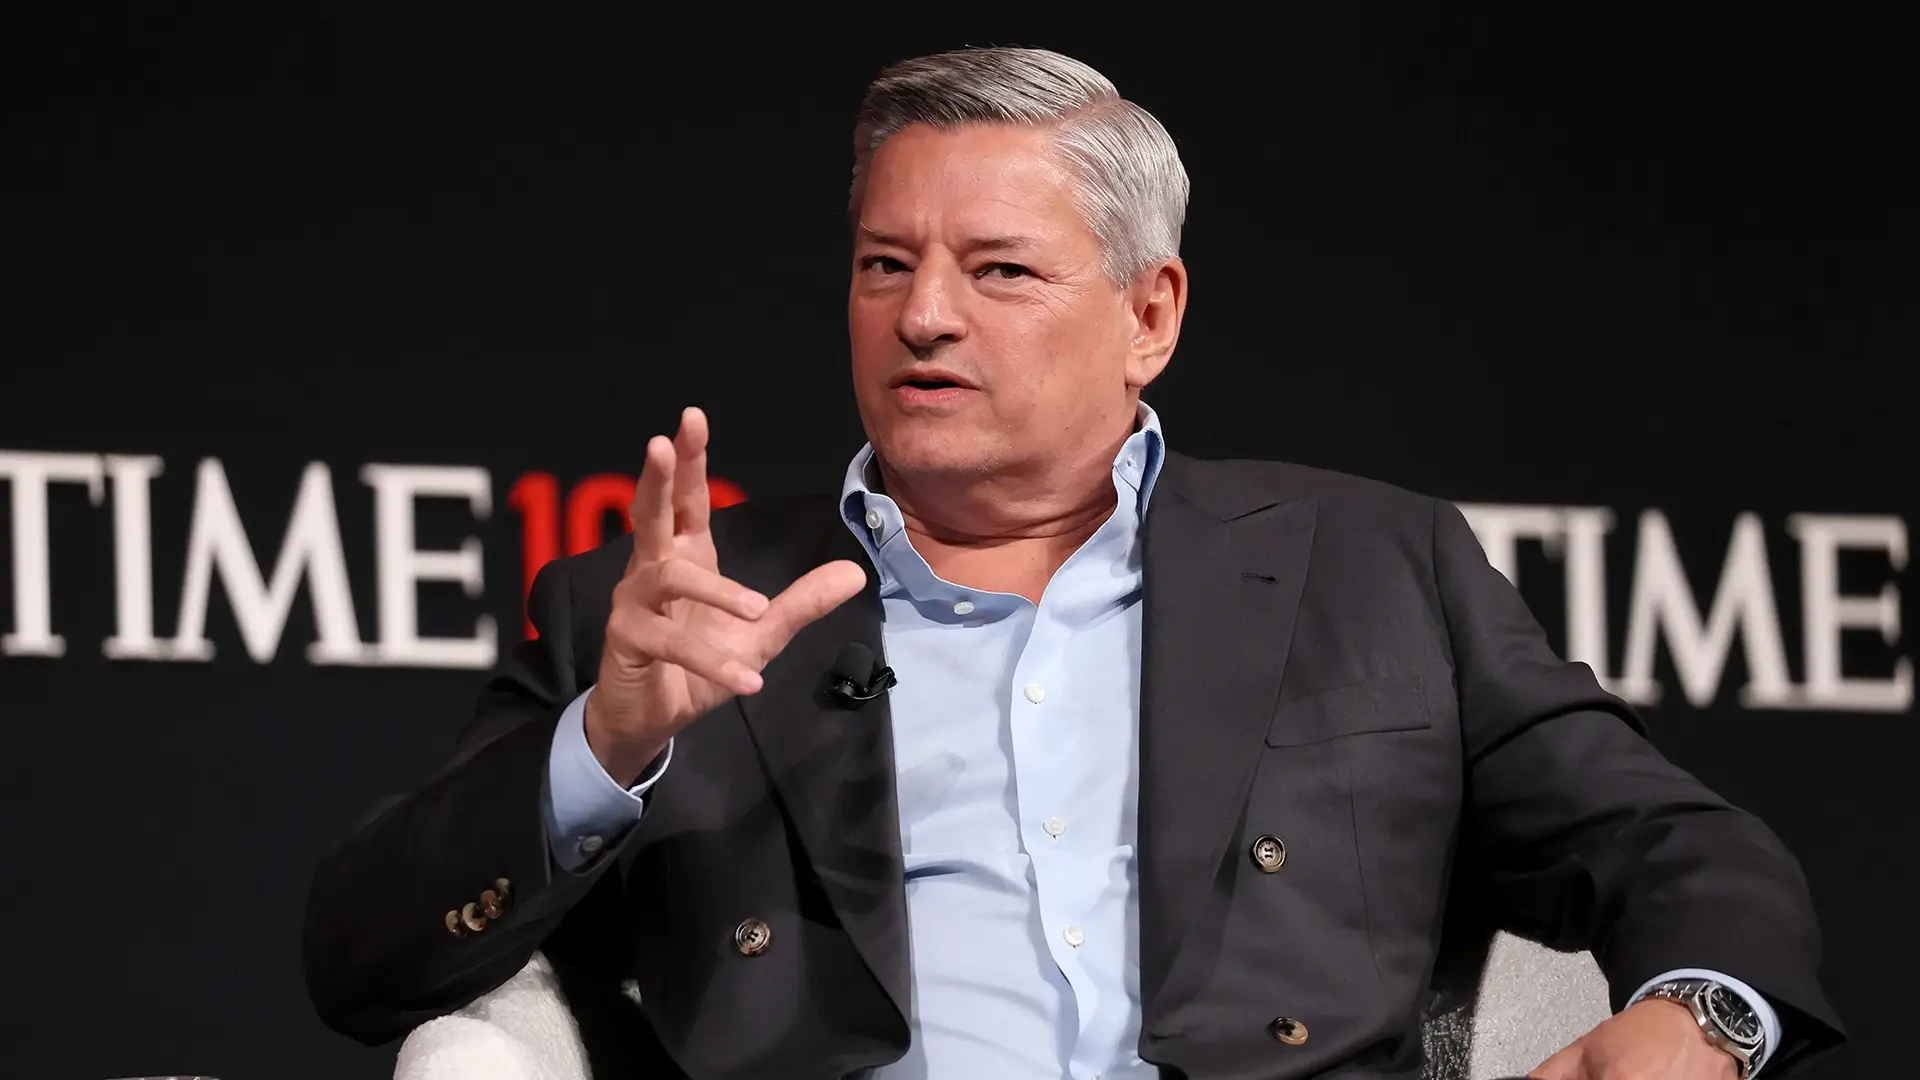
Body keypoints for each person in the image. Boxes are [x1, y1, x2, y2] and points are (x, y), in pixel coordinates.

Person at [303, 46, 1842, 1080]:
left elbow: (1680, 847)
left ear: (1149, 315)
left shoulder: (1378, 569)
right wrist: (604, 746)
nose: (924, 316)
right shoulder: (675, 612)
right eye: (886, 265)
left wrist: (1702, 1018)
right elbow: (362, 961)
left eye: (1000, 270)